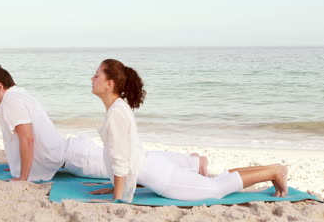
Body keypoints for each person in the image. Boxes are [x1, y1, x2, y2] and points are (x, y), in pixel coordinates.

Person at [90, 59, 289, 203]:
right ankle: (272, 169)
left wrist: (117, 198)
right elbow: (125, 154)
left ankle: (274, 171)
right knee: (217, 181)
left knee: (216, 189)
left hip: (162, 178)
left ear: (110, 84)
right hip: (154, 167)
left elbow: (120, 159)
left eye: (97, 75)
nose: (92, 78)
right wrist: (118, 185)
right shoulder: (118, 107)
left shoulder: (116, 111)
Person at [0, 64, 209, 181]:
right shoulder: (18, 95)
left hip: (77, 157)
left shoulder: (11, 102)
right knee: (134, 162)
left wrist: (22, 178)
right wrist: (18, 164)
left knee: (135, 166)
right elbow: (27, 139)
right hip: (72, 153)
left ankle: (193, 164)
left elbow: (27, 138)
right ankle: (190, 162)